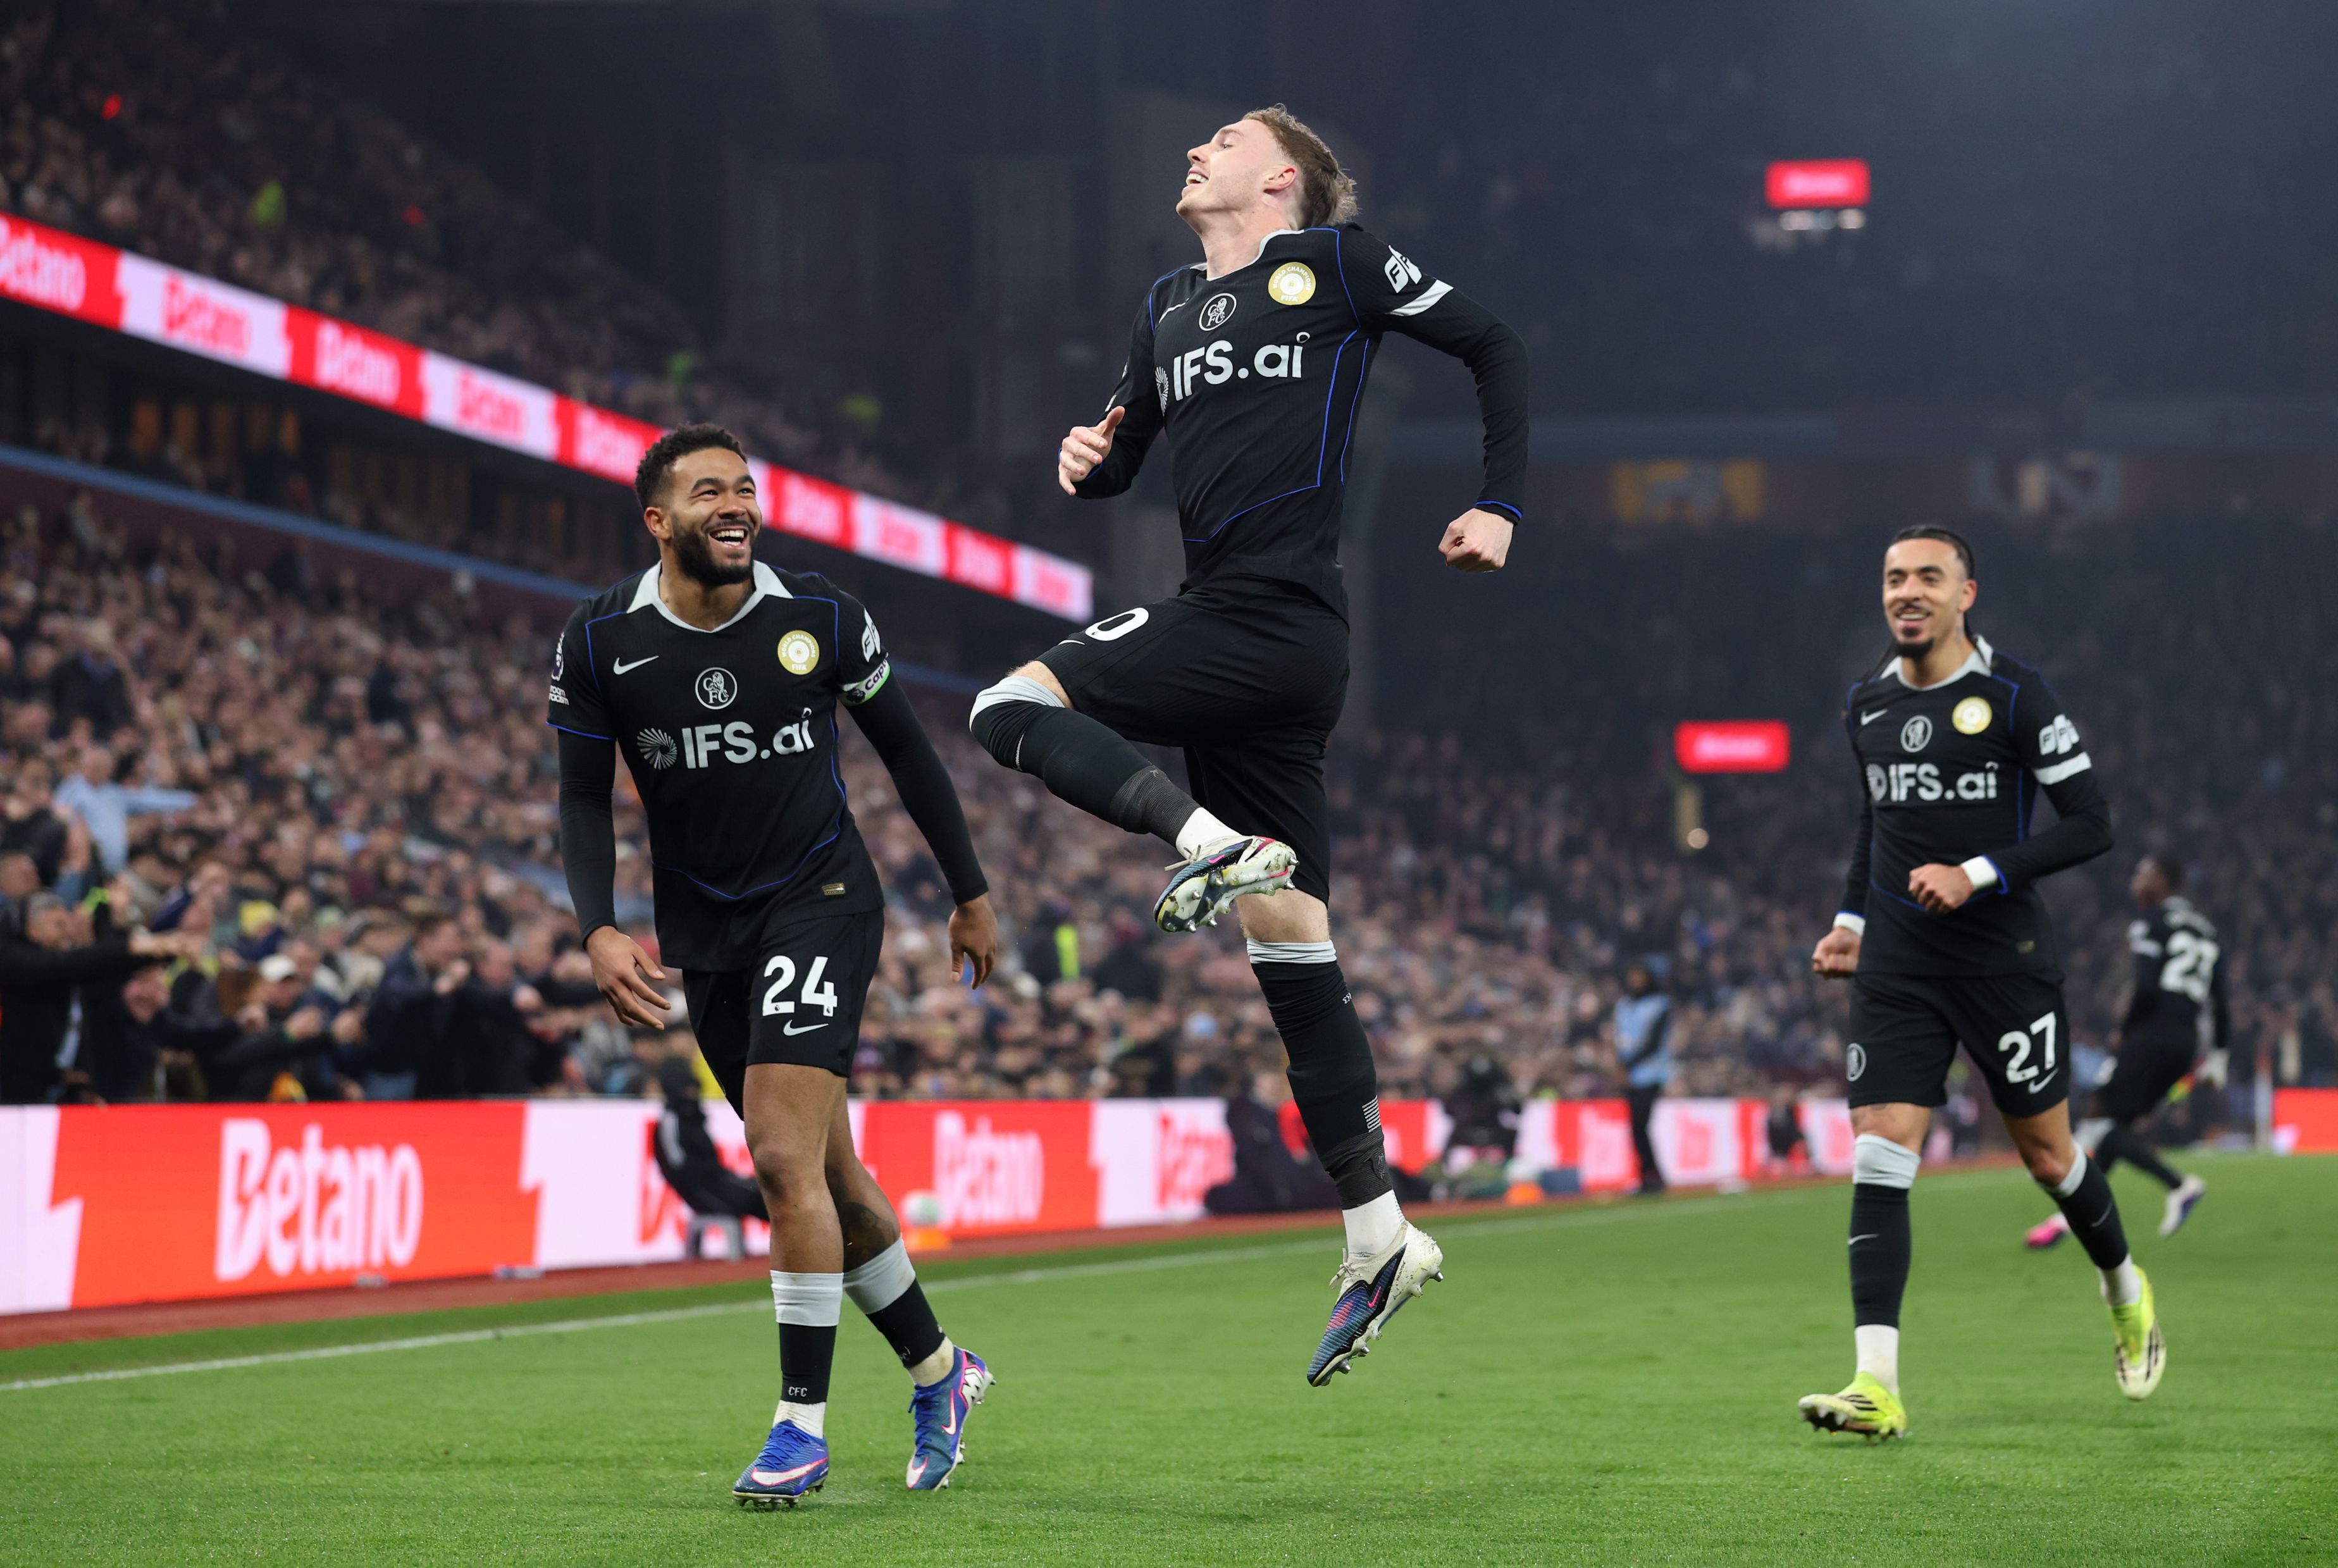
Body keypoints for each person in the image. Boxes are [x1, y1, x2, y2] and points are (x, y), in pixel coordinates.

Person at [967, 104, 1525, 1387]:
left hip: (1272, 618)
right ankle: (1380, 1232)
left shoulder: (1336, 263)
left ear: (1283, 176)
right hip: (1240, 639)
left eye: (1222, 140)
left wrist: (1497, 502)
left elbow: (1491, 344)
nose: (1194, 151)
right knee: (1292, 942)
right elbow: (1121, 457)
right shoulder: (1165, 303)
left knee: (1008, 706)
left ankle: (1205, 838)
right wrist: (1089, 456)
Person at [553, 423, 1004, 1507]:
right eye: (711, 490)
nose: (737, 503)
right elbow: (580, 793)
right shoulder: (601, 638)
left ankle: (799, 1427)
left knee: (776, 1155)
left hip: (822, 901)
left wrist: (970, 889)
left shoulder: (820, 615)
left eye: (747, 488)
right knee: (832, 1178)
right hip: (701, 930)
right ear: (659, 520)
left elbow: (907, 750)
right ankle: (944, 1371)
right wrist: (598, 925)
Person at [1802, 526, 2155, 1443]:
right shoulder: (1866, 703)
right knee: (1882, 1150)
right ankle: (1876, 1383)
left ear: (1967, 594)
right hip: (1900, 965)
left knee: (2049, 1157)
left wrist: (1981, 870)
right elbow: (1877, 823)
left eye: (1928, 576)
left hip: (2003, 962)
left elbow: (2092, 823)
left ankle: (2124, 1284)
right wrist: (1852, 921)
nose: (1906, 591)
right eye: (1892, 578)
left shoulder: (2014, 696)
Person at [2026, 854, 2223, 1250]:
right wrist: (2220, 1054)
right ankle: (2065, 1222)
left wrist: (2125, 1030)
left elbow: (2148, 988)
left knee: (2101, 1116)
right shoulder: (2204, 929)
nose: (2136, 880)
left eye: (2143, 872)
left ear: (2163, 881)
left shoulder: (2151, 923)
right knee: (2114, 1130)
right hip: (2185, 1041)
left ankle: (2179, 1185)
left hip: (2153, 1034)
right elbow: (2222, 998)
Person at [0, 892, 201, 1102]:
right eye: (58, 925)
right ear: (33, 929)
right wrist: (134, 947)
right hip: (14, 1094)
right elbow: (68, 965)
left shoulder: (64, 973)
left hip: (58, 1091)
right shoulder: (15, 961)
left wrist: (158, 951)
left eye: (68, 924)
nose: (67, 931)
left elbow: (101, 970)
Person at [1614, 960, 1674, 1195]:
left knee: (1641, 1125)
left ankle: (1652, 1175)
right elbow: (1619, 1039)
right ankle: (1648, 1176)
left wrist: (1627, 1065)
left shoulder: (1660, 1005)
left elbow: (1653, 1043)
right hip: (1630, 1075)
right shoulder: (1624, 1005)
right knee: (1636, 1127)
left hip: (1650, 1074)